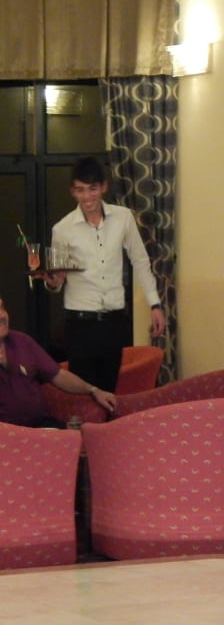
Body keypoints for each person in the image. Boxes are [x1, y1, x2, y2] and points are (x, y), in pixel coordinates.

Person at [44, 157, 166, 392]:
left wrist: (155, 305)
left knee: (110, 393)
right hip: (80, 324)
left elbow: (140, 261)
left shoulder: (123, 217)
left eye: (92, 189)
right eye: (80, 190)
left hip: (114, 321)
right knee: (83, 396)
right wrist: (53, 282)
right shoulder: (62, 229)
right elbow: (57, 280)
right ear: (72, 191)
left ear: (103, 187)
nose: (87, 196)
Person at [0, 297, 116, 427]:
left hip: (40, 425)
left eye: (2, 308)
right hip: (7, 433)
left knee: (80, 434)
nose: (2, 316)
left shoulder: (21, 341)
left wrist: (94, 390)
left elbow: (58, 375)